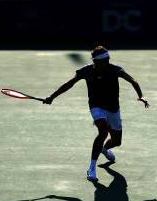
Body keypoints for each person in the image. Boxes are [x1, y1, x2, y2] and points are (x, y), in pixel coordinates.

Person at [43, 46, 149, 182]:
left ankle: (104, 149)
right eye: (104, 60)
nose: (107, 62)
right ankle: (92, 168)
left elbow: (133, 80)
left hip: (113, 108)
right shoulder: (86, 71)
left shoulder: (115, 70)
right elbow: (69, 84)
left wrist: (141, 96)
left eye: (108, 59)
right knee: (103, 131)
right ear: (96, 62)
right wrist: (52, 97)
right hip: (96, 106)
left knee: (117, 142)